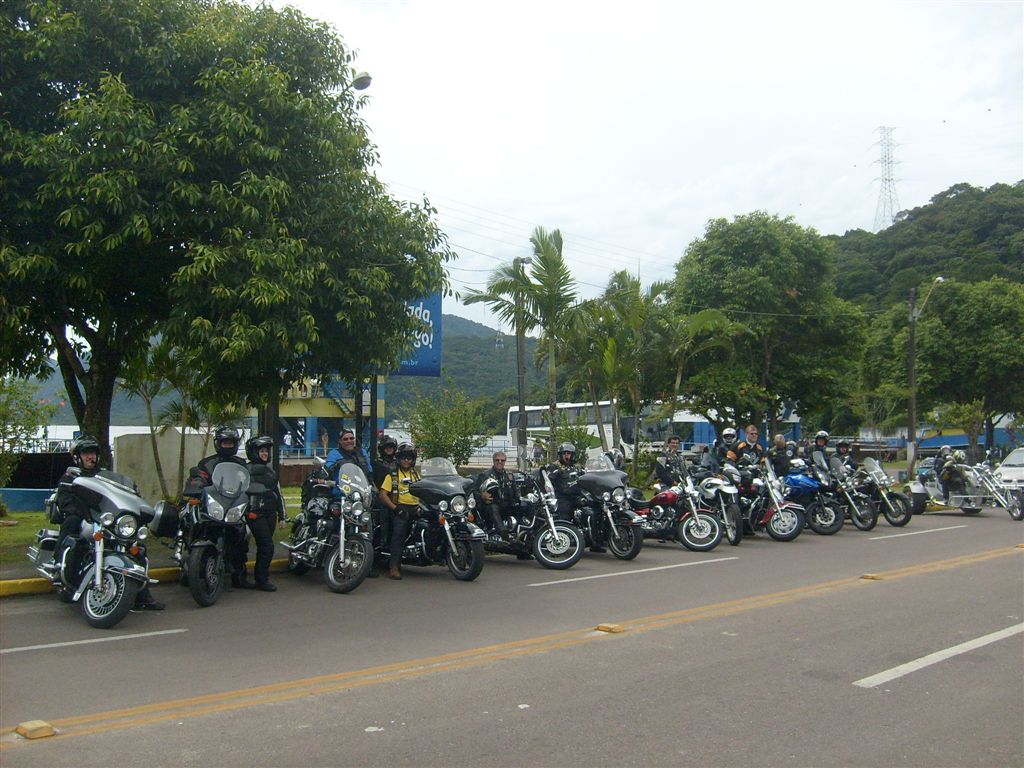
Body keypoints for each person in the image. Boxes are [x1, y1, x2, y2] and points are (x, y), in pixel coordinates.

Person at [54, 435, 164, 611]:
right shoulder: (70, 476)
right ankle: (59, 568)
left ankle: (142, 595)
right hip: (83, 517)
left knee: (136, 547)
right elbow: (65, 499)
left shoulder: (104, 476)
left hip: (105, 519)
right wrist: (79, 512)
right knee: (71, 523)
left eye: (92, 453)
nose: (90, 457)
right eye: (86, 453)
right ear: (77, 456)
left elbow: (120, 495)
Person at [192, 425, 251, 588]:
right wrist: (197, 485)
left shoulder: (241, 464)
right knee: (196, 527)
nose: (227, 445)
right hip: (213, 506)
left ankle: (239, 575)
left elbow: (247, 481)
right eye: (225, 442)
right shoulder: (207, 463)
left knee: (242, 535)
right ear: (218, 443)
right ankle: (188, 568)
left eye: (230, 442)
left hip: (232, 507)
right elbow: (199, 478)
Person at [244, 436, 286, 592]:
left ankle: (260, 577)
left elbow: (278, 494)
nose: (265, 454)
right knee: (266, 545)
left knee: (265, 547)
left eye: (266, 451)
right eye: (261, 451)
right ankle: (258, 579)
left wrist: (282, 516)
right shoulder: (245, 470)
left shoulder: (271, 472)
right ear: (253, 452)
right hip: (253, 513)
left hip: (270, 513)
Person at [378, 442, 421, 580]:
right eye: (403, 458)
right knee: (399, 534)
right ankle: (394, 567)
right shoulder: (392, 476)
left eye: (409, 458)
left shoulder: (416, 475)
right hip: (400, 508)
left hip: (417, 508)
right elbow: (383, 495)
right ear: (399, 459)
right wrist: (396, 509)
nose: (406, 461)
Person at [476, 451, 521, 540]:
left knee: (525, 505)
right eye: (497, 460)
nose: (500, 462)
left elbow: (516, 491)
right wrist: (482, 496)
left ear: (505, 462)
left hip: (508, 504)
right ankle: (503, 533)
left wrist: (520, 499)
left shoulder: (509, 475)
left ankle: (527, 534)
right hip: (492, 505)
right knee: (493, 508)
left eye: (502, 460)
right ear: (493, 461)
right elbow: (475, 492)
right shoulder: (485, 475)